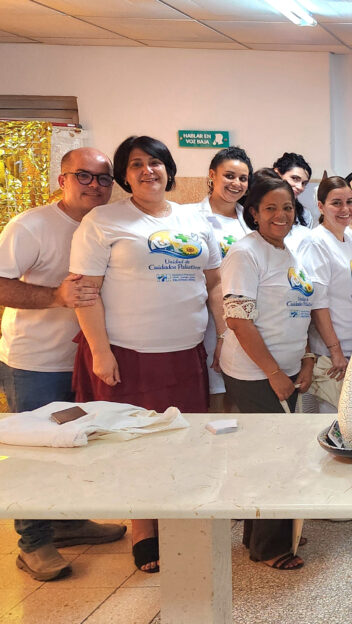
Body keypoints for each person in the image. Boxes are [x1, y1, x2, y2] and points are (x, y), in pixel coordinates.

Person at [69, 135, 224, 574]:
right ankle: (143, 529)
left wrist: (224, 338)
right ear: (124, 175)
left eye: (155, 162)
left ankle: (178, 521)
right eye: (136, 164)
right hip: (127, 353)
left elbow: (213, 284)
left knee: (181, 440)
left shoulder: (195, 221)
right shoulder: (103, 220)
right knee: (135, 445)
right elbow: (85, 292)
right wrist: (100, 352)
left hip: (184, 350)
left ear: (169, 170)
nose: (147, 170)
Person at [0, 147, 126, 581]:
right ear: (62, 180)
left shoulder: (110, 223)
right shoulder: (32, 225)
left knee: (76, 442)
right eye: (83, 176)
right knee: (35, 452)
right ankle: (32, 542)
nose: (94, 185)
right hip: (35, 361)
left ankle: (69, 522)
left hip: (85, 360)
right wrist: (55, 297)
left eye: (103, 178)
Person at [219, 172, 320, 569]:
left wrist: (307, 359)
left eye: (288, 207)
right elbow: (239, 321)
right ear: (253, 213)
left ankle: (264, 531)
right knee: (277, 456)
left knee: (273, 451)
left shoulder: (287, 250)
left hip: (287, 367)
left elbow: (299, 310)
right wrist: (274, 371)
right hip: (255, 372)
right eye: (271, 208)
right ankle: (270, 547)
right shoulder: (246, 253)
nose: (281, 215)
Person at [188, 146, 253, 413]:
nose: (236, 183)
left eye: (243, 178)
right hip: (207, 319)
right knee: (214, 394)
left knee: (239, 395)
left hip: (246, 318)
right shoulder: (189, 217)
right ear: (212, 175)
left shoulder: (250, 219)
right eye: (229, 176)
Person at [299, 174, 352, 412]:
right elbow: (317, 303)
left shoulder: (351, 241)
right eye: (336, 203)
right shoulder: (317, 242)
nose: (345, 209)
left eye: (349, 202)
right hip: (331, 354)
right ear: (320, 206)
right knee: (331, 423)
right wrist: (334, 350)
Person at [272, 152, 311, 228]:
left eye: (304, 183)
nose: (300, 187)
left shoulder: (304, 215)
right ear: (277, 174)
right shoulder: (257, 206)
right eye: (295, 178)